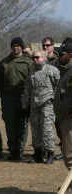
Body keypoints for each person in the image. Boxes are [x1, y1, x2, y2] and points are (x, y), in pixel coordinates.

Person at [0, 37, 33, 161]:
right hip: (8, 99)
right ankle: (13, 151)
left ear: (21, 47)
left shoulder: (29, 62)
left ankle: (20, 151)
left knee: (22, 126)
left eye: (18, 46)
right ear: (11, 47)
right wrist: (2, 95)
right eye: (13, 46)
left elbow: (33, 79)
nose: (16, 48)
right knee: (10, 126)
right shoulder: (4, 62)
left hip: (23, 98)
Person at [21, 51, 60, 164]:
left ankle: (50, 153)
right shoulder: (32, 73)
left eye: (37, 57)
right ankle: (38, 153)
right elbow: (28, 90)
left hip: (47, 104)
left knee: (46, 129)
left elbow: (59, 86)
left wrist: (55, 100)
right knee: (35, 129)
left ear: (44, 58)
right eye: (33, 58)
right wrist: (25, 105)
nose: (35, 59)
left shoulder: (52, 71)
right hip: (34, 105)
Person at [53, 42, 72, 193]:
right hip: (64, 118)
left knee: (70, 156)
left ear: (70, 55)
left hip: (70, 119)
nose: (59, 57)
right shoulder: (65, 70)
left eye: (62, 54)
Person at [42, 37, 63, 161]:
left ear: (53, 46)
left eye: (48, 45)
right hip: (45, 97)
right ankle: (46, 149)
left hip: (58, 96)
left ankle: (64, 149)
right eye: (44, 45)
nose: (45, 47)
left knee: (61, 125)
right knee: (47, 127)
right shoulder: (41, 59)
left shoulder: (59, 59)